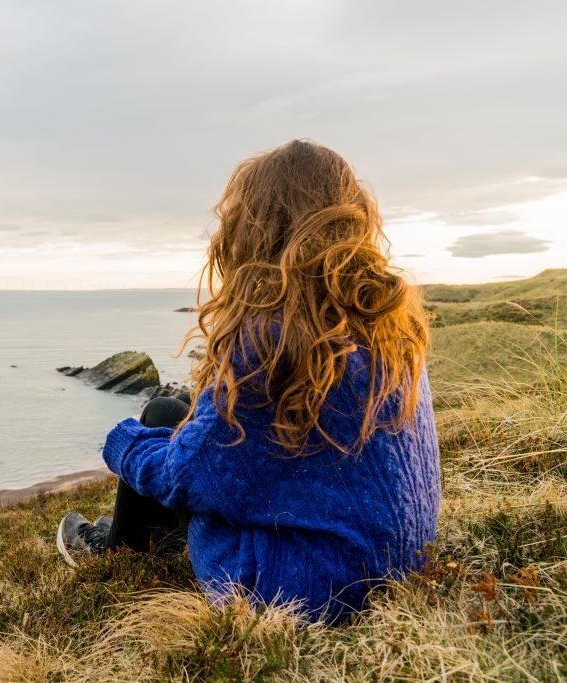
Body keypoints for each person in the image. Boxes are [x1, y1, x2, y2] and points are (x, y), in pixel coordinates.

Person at [56, 139, 440, 623]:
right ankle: (141, 539)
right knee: (173, 414)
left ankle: (117, 551)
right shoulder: (387, 321)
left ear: (256, 229)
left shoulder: (274, 339)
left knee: (156, 430)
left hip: (307, 590)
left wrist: (122, 442)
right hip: (400, 563)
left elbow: (189, 476)